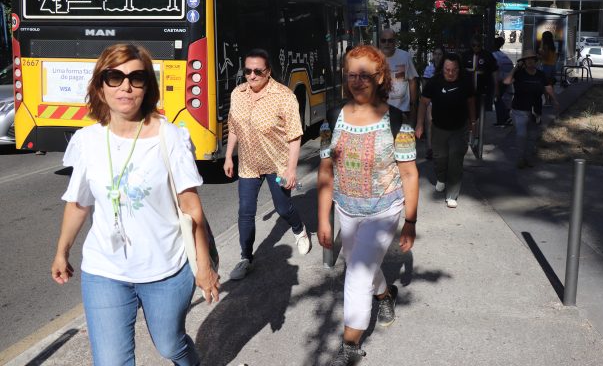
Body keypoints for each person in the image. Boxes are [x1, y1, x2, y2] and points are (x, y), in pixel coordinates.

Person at [51, 44, 219, 366]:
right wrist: (62, 251)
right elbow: (78, 203)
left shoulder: (171, 138)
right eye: (114, 77)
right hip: (104, 271)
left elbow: (191, 208)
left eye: (136, 78)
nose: (125, 86)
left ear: (147, 87)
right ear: (101, 86)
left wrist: (204, 267)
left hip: (165, 269)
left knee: (170, 345)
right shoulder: (87, 141)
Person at [317, 45, 419, 366]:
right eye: (352, 75)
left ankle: (349, 345)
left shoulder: (397, 121)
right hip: (346, 209)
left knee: (358, 273)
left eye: (365, 75)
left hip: (384, 211)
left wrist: (410, 221)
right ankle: (385, 296)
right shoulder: (332, 118)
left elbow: (409, 174)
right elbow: (325, 171)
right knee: (362, 264)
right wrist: (324, 219)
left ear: (380, 77)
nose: (358, 82)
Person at [224, 48, 311, 281]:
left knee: (283, 208)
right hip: (249, 164)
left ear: (268, 71)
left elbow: (294, 135)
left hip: (277, 163)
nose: (252, 76)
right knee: (245, 211)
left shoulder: (283, 96)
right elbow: (234, 127)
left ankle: (299, 229)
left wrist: (291, 169)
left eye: (257, 71)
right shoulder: (238, 94)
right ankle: (246, 258)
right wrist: (229, 156)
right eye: (247, 71)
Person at [416, 53, 475, 208]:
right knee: (440, 158)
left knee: (456, 159)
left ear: (459, 69)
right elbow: (423, 103)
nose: (450, 73)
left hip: (459, 128)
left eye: (454, 70)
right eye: (447, 70)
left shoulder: (465, 82)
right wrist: (419, 124)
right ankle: (441, 177)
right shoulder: (434, 82)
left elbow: (471, 102)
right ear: (442, 68)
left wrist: (473, 122)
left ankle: (452, 194)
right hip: (439, 128)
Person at [503, 50, 559, 169]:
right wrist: (515, 68)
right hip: (519, 110)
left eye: (532, 59)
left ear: (536, 61)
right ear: (523, 62)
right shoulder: (519, 74)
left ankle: (527, 158)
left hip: (535, 111)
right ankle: (520, 158)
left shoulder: (540, 74)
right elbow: (506, 81)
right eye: (526, 59)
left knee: (532, 137)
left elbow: (548, 87)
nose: (529, 61)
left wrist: (554, 100)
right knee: (521, 135)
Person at [379, 29, 418, 121]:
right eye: (383, 40)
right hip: (380, 111)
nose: (387, 43)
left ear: (395, 42)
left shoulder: (405, 56)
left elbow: (412, 81)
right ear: (379, 42)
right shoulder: (374, 58)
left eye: (390, 40)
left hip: (402, 110)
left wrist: (413, 106)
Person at [462, 35, 498, 114]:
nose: (476, 47)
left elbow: (494, 71)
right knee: (468, 111)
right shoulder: (465, 55)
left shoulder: (487, 55)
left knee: (481, 111)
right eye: (474, 45)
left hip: (483, 90)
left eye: (478, 45)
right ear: (471, 45)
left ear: (481, 45)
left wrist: (496, 87)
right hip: (468, 90)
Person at [421, 45, 445, 159]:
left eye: (440, 54)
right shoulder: (429, 68)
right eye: (435, 54)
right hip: (431, 100)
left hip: (444, 100)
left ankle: (441, 147)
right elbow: (425, 85)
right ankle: (430, 148)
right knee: (429, 122)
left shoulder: (446, 68)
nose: (437, 56)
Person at [491, 36, 514, 126]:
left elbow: (494, 70)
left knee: (497, 99)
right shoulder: (504, 56)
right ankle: (503, 119)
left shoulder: (493, 56)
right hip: (507, 79)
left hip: (499, 80)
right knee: (504, 99)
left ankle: (504, 119)